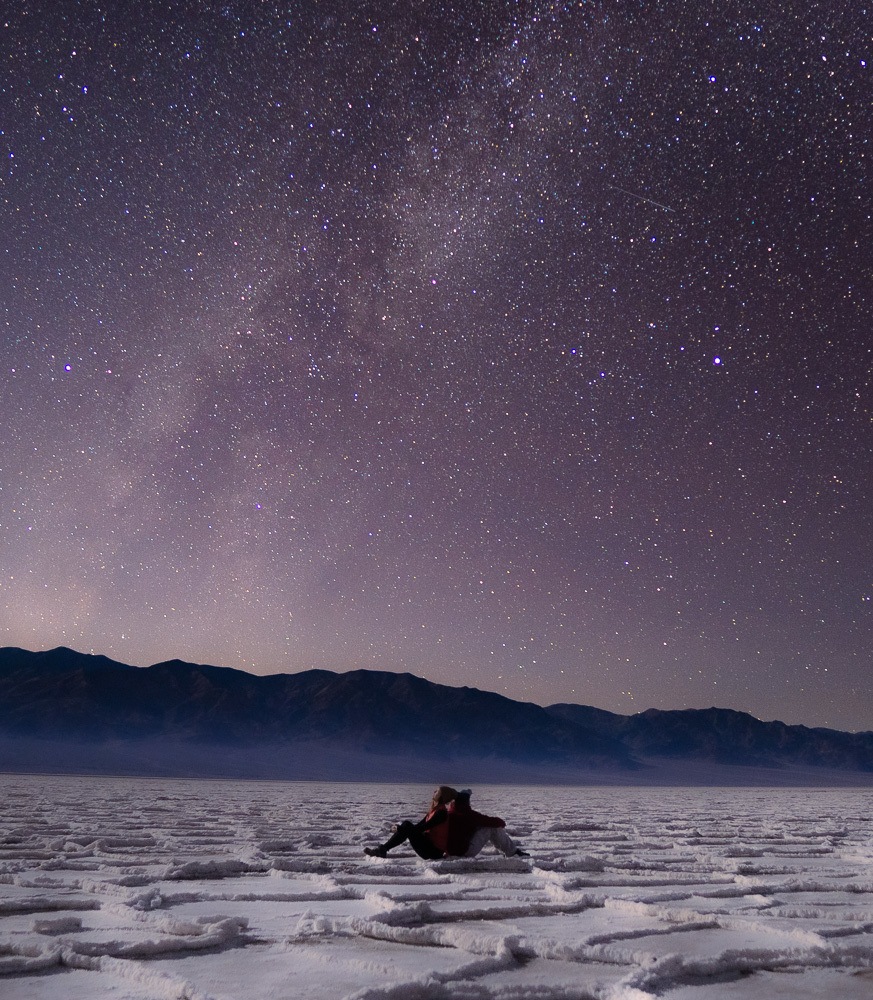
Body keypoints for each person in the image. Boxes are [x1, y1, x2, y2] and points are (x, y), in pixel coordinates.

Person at [364, 787, 528, 860]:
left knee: (407, 826)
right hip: (457, 851)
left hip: (445, 850)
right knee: (492, 828)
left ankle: (383, 849)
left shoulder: (447, 811)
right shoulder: (464, 814)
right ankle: (512, 852)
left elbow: (420, 827)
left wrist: (403, 829)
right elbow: (498, 822)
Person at [364, 786, 457, 859]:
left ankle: (383, 849)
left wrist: (401, 829)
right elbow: (419, 826)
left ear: (441, 796)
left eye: (437, 791)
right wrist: (403, 829)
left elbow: (422, 828)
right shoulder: (435, 810)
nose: (434, 792)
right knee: (406, 824)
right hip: (428, 846)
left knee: (407, 825)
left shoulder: (441, 813)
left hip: (434, 852)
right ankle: (383, 849)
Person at [445, 789, 528, 858]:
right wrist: (501, 823)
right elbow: (494, 822)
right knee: (491, 828)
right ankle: (512, 852)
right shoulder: (468, 814)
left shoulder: (449, 814)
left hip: (450, 851)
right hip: (464, 851)